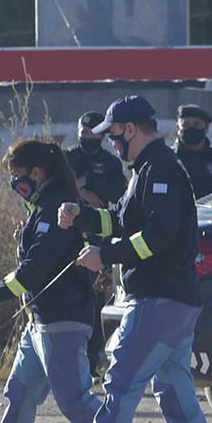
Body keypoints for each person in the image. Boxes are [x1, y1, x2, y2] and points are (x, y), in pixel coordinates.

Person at [40, 95, 212, 423]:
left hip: (160, 300)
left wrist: (103, 256)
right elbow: (124, 223)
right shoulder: (147, 170)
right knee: (176, 393)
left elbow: (156, 237)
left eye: (114, 135)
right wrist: (85, 216)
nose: (110, 144)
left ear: (129, 129)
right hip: (171, 301)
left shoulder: (159, 169)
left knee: (121, 384)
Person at [0, 139, 155, 423]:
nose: (14, 182)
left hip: (61, 321)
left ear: (37, 172)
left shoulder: (54, 208)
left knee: (76, 401)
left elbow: (33, 270)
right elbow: (37, 256)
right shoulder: (43, 208)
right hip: (40, 322)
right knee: (19, 393)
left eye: (17, 175)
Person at [65, 111, 128, 379]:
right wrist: (81, 193)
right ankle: (71, 363)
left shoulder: (110, 163)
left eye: (94, 134)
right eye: (84, 133)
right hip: (70, 235)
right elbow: (59, 188)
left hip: (99, 236)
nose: (88, 138)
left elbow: (119, 194)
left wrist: (88, 184)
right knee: (72, 296)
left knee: (96, 298)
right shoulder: (67, 158)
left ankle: (92, 364)